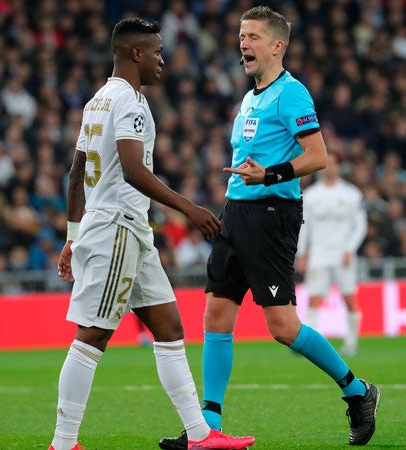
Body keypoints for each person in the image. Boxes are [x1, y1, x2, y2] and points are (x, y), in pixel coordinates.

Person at [160, 6, 379, 449]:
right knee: (216, 315)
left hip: (273, 215)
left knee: (282, 327)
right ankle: (206, 427)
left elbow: (317, 156)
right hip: (236, 213)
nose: (244, 43)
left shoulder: (291, 93)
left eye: (254, 36)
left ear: (277, 46)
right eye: (242, 35)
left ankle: (358, 392)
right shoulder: (250, 97)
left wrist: (272, 175)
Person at [48, 18, 255, 450]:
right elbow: (132, 169)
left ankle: (199, 435)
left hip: (127, 229)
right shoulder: (130, 102)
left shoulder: (97, 101)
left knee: (169, 327)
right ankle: (63, 443)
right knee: (93, 335)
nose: (163, 60)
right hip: (117, 228)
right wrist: (189, 208)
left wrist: (72, 234)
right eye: (157, 51)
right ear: (135, 54)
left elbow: (76, 174)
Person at [296, 152, 367, 356]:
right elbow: (304, 227)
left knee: (349, 298)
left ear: (339, 167)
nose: (329, 168)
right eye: (326, 164)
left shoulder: (352, 194)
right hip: (318, 254)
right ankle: (312, 347)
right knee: (314, 299)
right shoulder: (310, 195)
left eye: (333, 164)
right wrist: (302, 253)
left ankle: (351, 343)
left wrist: (350, 249)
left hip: (342, 254)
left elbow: (360, 226)